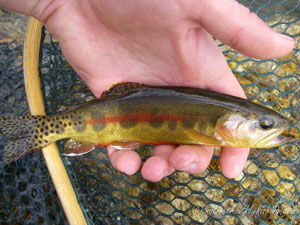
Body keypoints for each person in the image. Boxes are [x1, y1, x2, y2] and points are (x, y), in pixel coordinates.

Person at [1, 0, 294, 182]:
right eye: (264, 125)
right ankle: (39, 131)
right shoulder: (211, 123)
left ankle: (37, 131)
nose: (268, 129)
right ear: (228, 122)